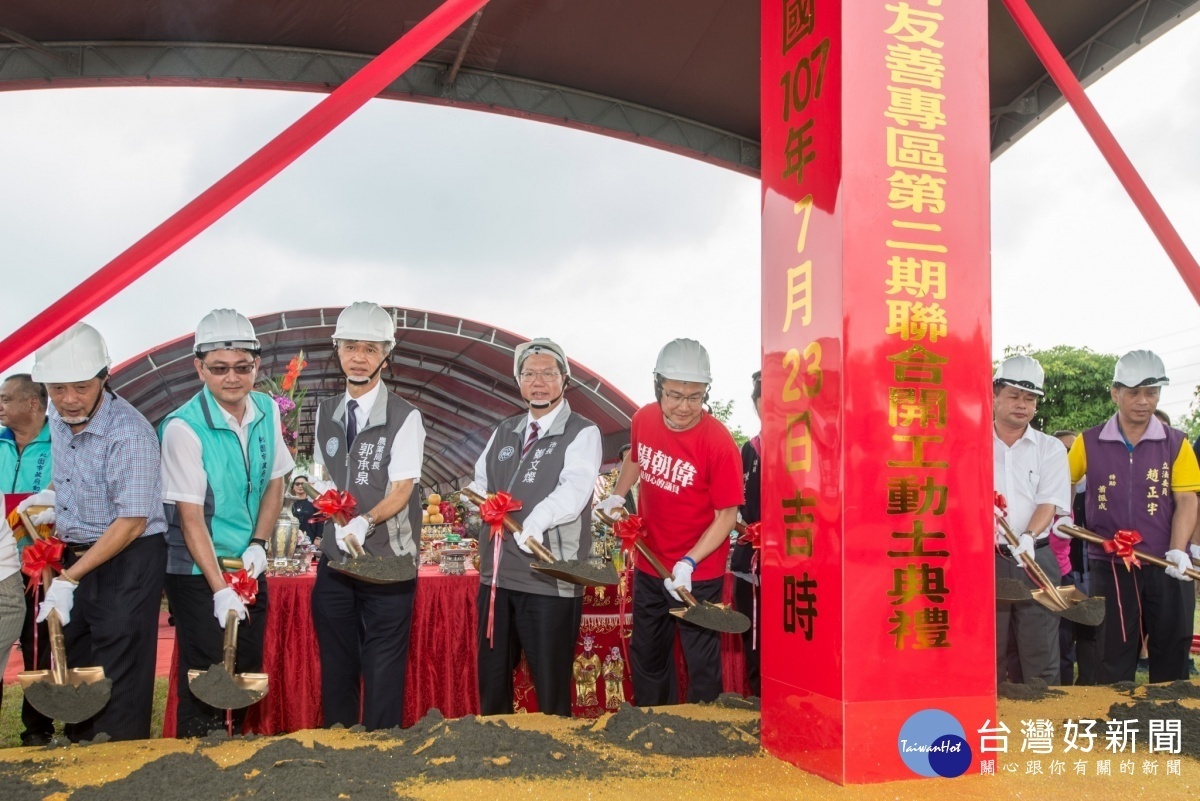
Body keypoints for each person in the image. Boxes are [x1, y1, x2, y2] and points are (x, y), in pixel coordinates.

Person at [30, 322, 168, 742]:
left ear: (105, 378)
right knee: (77, 658)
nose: (69, 400)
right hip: (77, 552)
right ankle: (79, 750)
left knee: (118, 663)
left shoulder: (129, 433)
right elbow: (70, 476)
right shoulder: (55, 418)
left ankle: (118, 759)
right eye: (57, 389)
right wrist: (48, 499)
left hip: (129, 555)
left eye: (81, 387)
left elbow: (131, 521)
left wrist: (69, 579)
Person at [159, 310, 294, 737]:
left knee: (246, 669)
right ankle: (196, 762)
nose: (231, 378)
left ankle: (238, 752)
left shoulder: (267, 410)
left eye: (242, 367)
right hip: (200, 569)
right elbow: (191, 518)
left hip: (248, 564)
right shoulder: (183, 428)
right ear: (199, 368)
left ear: (256, 366)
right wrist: (219, 590)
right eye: (219, 369)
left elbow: (276, 479)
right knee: (207, 672)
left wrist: (259, 543)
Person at [599, 339, 743, 705]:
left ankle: (703, 735)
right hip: (650, 561)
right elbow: (636, 456)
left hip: (699, 571)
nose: (684, 407)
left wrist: (690, 561)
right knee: (648, 653)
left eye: (695, 397)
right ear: (658, 387)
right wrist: (618, 494)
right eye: (675, 394)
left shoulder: (719, 443)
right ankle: (653, 723)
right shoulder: (643, 419)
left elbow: (727, 515)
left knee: (701, 661)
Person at [466, 338, 602, 716]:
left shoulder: (582, 431)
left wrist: (538, 520)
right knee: (493, 678)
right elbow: (478, 482)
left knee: (550, 681)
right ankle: (495, 750)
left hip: (549, 576)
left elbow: (575, 489)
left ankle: (555, 760)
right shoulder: (505, 431)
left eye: (548, 374)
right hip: (497, 577)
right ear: (518, 380)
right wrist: (478, 500)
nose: (538, 382)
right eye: (529, 374)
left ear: (565, 379)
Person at [311, 302, 426, 730]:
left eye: (371, 348)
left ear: (386, 354)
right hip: (337, 563)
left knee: (382, 667)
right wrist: (321, 494)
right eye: (351, 346)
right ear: (337, 348)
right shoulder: (326, 412)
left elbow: (402, 489)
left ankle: (381, 753)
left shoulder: (404, 416)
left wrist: (364, 521)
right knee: (337, 664)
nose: (359, 357)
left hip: (388, 564)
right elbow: (323, 472)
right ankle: (339, 747)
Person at [1065, 349, 1200, 683]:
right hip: (1108, 562)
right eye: (1134, 392)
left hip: (1163, 561)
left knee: (1172, 643)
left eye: (1152, 393)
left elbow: (1187, 501)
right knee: (1112, 647)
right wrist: (1063, 518)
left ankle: (1170, 719)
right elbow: (1062, 483)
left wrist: (1179, 550)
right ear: (1116, 392)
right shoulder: (1088, 442)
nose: (1144, 401)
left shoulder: (1177, 443)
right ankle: (1116, 722)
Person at [992, 355, 1071, 686]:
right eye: (1013, 395)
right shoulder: (968, 442)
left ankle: (1042, 727)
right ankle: (987, 724)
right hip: (986, 560)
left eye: (1030, 399)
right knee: (988, 649)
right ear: (993, 395)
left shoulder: (1050, 448)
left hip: (1034, 555)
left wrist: (1027, 536)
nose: (1022, 405)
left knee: (1040, 651)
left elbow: (1049, 501)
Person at [0, 373, 55, 744]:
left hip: (43, 561)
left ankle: (37, 729)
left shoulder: (62, 442)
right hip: (1, 564)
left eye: (4, 399)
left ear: (32, 404)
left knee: (39, 646)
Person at [731, 370, 762, 696]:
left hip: (798, 565)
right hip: (751, 562)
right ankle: (758, 703)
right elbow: (732, 509)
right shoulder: (748, 450)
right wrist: (751, 531)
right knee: (754, 639)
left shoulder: (811, 447)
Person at [289, 475, 322, 543]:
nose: (300, 486)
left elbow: (320, 520)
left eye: (303, 484)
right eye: (297, 484)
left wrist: (318, 537)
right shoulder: (289, 503)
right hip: (291, 540)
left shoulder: (314, 503)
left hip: (310, 540)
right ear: (293, 487)